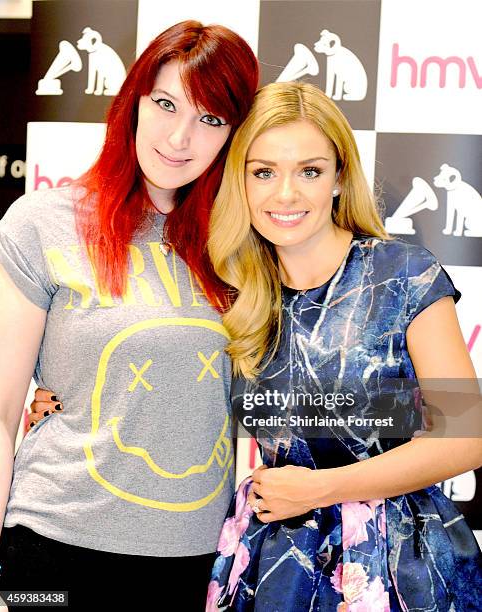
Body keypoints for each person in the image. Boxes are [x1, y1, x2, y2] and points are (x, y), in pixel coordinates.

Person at [0, 20, 258, 609]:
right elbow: (2, 409)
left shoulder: (245, 247)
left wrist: (442, 417)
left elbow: (271, 401)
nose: (178, 137)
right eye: (165, 104)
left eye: (210, 119)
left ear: (234, 136)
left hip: (193, 557)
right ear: (133, 101)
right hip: (51, 548)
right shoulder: (42, 223)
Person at [205, 82, 482, 610]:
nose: (285, 194)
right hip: (273, 561)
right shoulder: (233, 291)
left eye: (309, 171)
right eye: (263, 171)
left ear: (338, 178)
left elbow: (466, 437)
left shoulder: (402, 275)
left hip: (400, 563)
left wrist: (322, 489)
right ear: (239, 181)